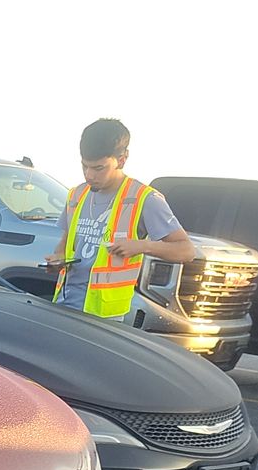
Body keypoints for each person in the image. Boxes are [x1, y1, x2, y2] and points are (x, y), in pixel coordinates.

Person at [45, 118, 195, 322]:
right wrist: (58, 259)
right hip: (64, 306)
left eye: (99, 168)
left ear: (122, 159)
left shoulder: (144, 198)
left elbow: (186, 251)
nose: (89, 175)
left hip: (106, 318)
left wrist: (142, 246)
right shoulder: (76, 195)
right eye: (84, 166)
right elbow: (65, 243)